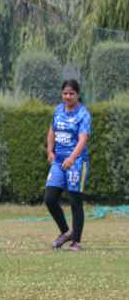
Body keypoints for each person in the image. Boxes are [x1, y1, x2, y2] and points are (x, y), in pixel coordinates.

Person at [45, 79, 90, 252]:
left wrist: (72, 158)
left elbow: (83, 139)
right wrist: (50, 151)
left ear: (77, 94)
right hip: (58, 162)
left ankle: (76, 242)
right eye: (65, 93)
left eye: (71, 93)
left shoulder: (83, 114)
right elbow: (52, 131)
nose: (68, 96)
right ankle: (65, 232)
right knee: (50, 198)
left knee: (75, 201)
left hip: (77, 162)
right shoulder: (58, 110)